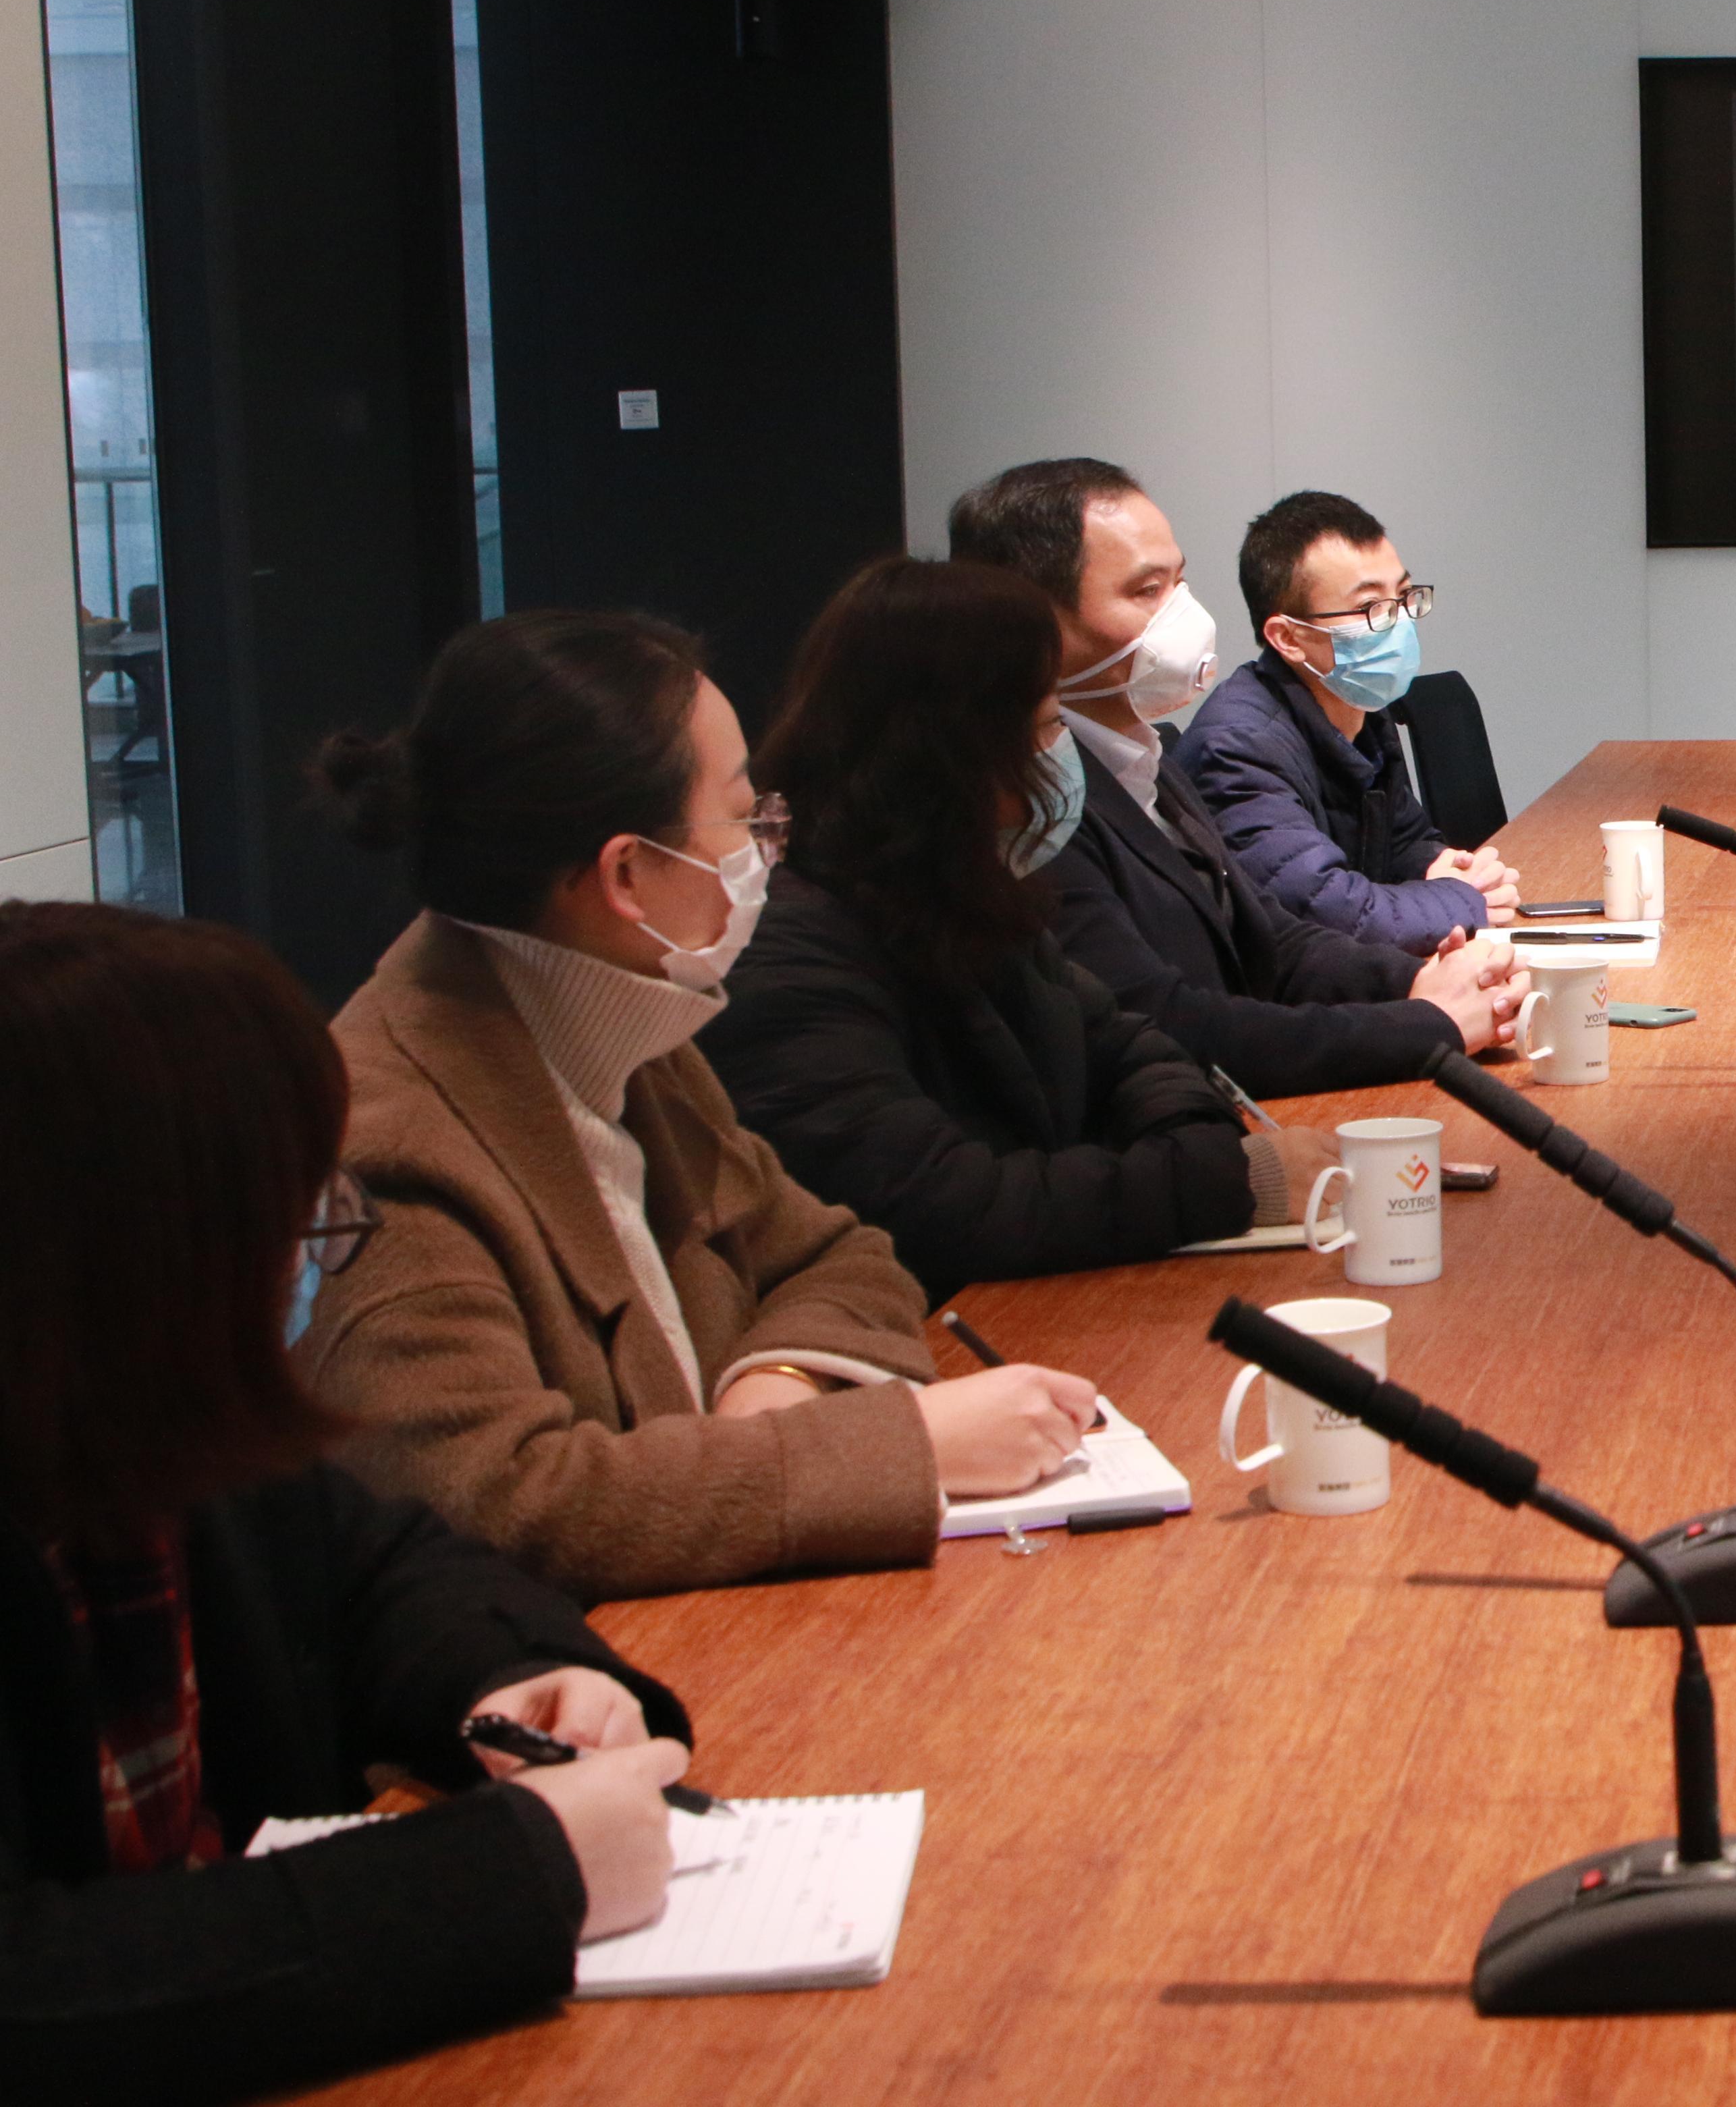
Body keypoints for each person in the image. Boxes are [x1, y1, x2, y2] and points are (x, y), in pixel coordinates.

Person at [0, 902, 699, 2100]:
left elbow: (384, 1569)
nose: (304, 1257)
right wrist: (513, 1873)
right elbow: (34, 1989)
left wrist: (513, 1681)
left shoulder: (148, 1430)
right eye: (283, 1219)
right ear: (135, 1258)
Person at [302, 612, 1100, 1602]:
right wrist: (901, 1448)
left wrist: (783, 1387)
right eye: (742, 817)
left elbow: (840, 1254)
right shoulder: (388, 1140)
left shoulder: (626, 1030)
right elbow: (499, 1503)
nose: (767, 846)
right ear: (626, 874)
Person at [703, 558, 1331, 1298]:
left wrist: (1191, 1148)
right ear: (948, 757)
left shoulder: (969, 889)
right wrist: (1219, 1176)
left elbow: (1133, 1049)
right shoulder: (790, 955)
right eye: (1044, 727)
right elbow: (943, 1210)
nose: (1059, 755)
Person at [945, 457, 1524, 1094]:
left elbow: (1270, 936)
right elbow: (1166, 1024)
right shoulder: (1033, 804)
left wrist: (1415, 982)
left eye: (1179, 582)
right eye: (1147, 591)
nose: (1184, 613)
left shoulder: (1145, 756)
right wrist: (1427, 1022)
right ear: (1029, 622)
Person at [1173, 488, 1523, 952]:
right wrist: (1464, 900)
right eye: (1371, 608)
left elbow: (1405, 840)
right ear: (1288, 638)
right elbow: (1329, 912)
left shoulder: (1358, 708)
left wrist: (1447, 869)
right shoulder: (1236, 748)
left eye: (1404, 596)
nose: (1400, 621)